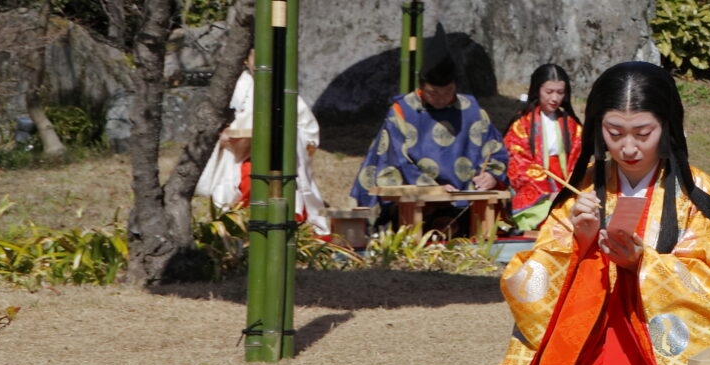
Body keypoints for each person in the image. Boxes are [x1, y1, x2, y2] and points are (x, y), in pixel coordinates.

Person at [438, 61, 710, 365]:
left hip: (660, 358)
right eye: (614, 133)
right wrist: (582, 243)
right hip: (586, 352)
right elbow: (529, 282)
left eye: (643, 133)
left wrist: (645, 266)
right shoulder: (584, 191)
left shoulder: (694, 191)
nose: (628, 148)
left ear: (668, 126)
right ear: (597, 128)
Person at [350, 54, 507, 220]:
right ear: (421, 87)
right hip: (416, 193)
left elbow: (495, 148)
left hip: (466, 195)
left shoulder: (472, 110)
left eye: (448, 92)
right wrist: (432, 189)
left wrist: (491, 175)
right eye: (433, 93)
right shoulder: (402, 110)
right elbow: (396, 160)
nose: (441, 99)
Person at [193, 67, 331, 236]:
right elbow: (217, 125)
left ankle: (288, 231)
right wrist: (224, 135)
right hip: (243, 158)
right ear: (245, 59)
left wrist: (288, 135)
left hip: (281, 159)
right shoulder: (235, 88)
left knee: (286, 187)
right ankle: (245, 229)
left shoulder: (283, 88)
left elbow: (308, 132)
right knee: (250, 178)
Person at [503, 62, 582, 233]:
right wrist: (547, 192)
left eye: (560, 92)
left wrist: (568, 190)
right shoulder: (521, 123)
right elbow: (517, 162)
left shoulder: (572, 125)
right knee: (552, 217)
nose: (555, 98)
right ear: (537, 90)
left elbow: (579, 161)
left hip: (566, 184)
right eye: (549, 92)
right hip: (536, 189)